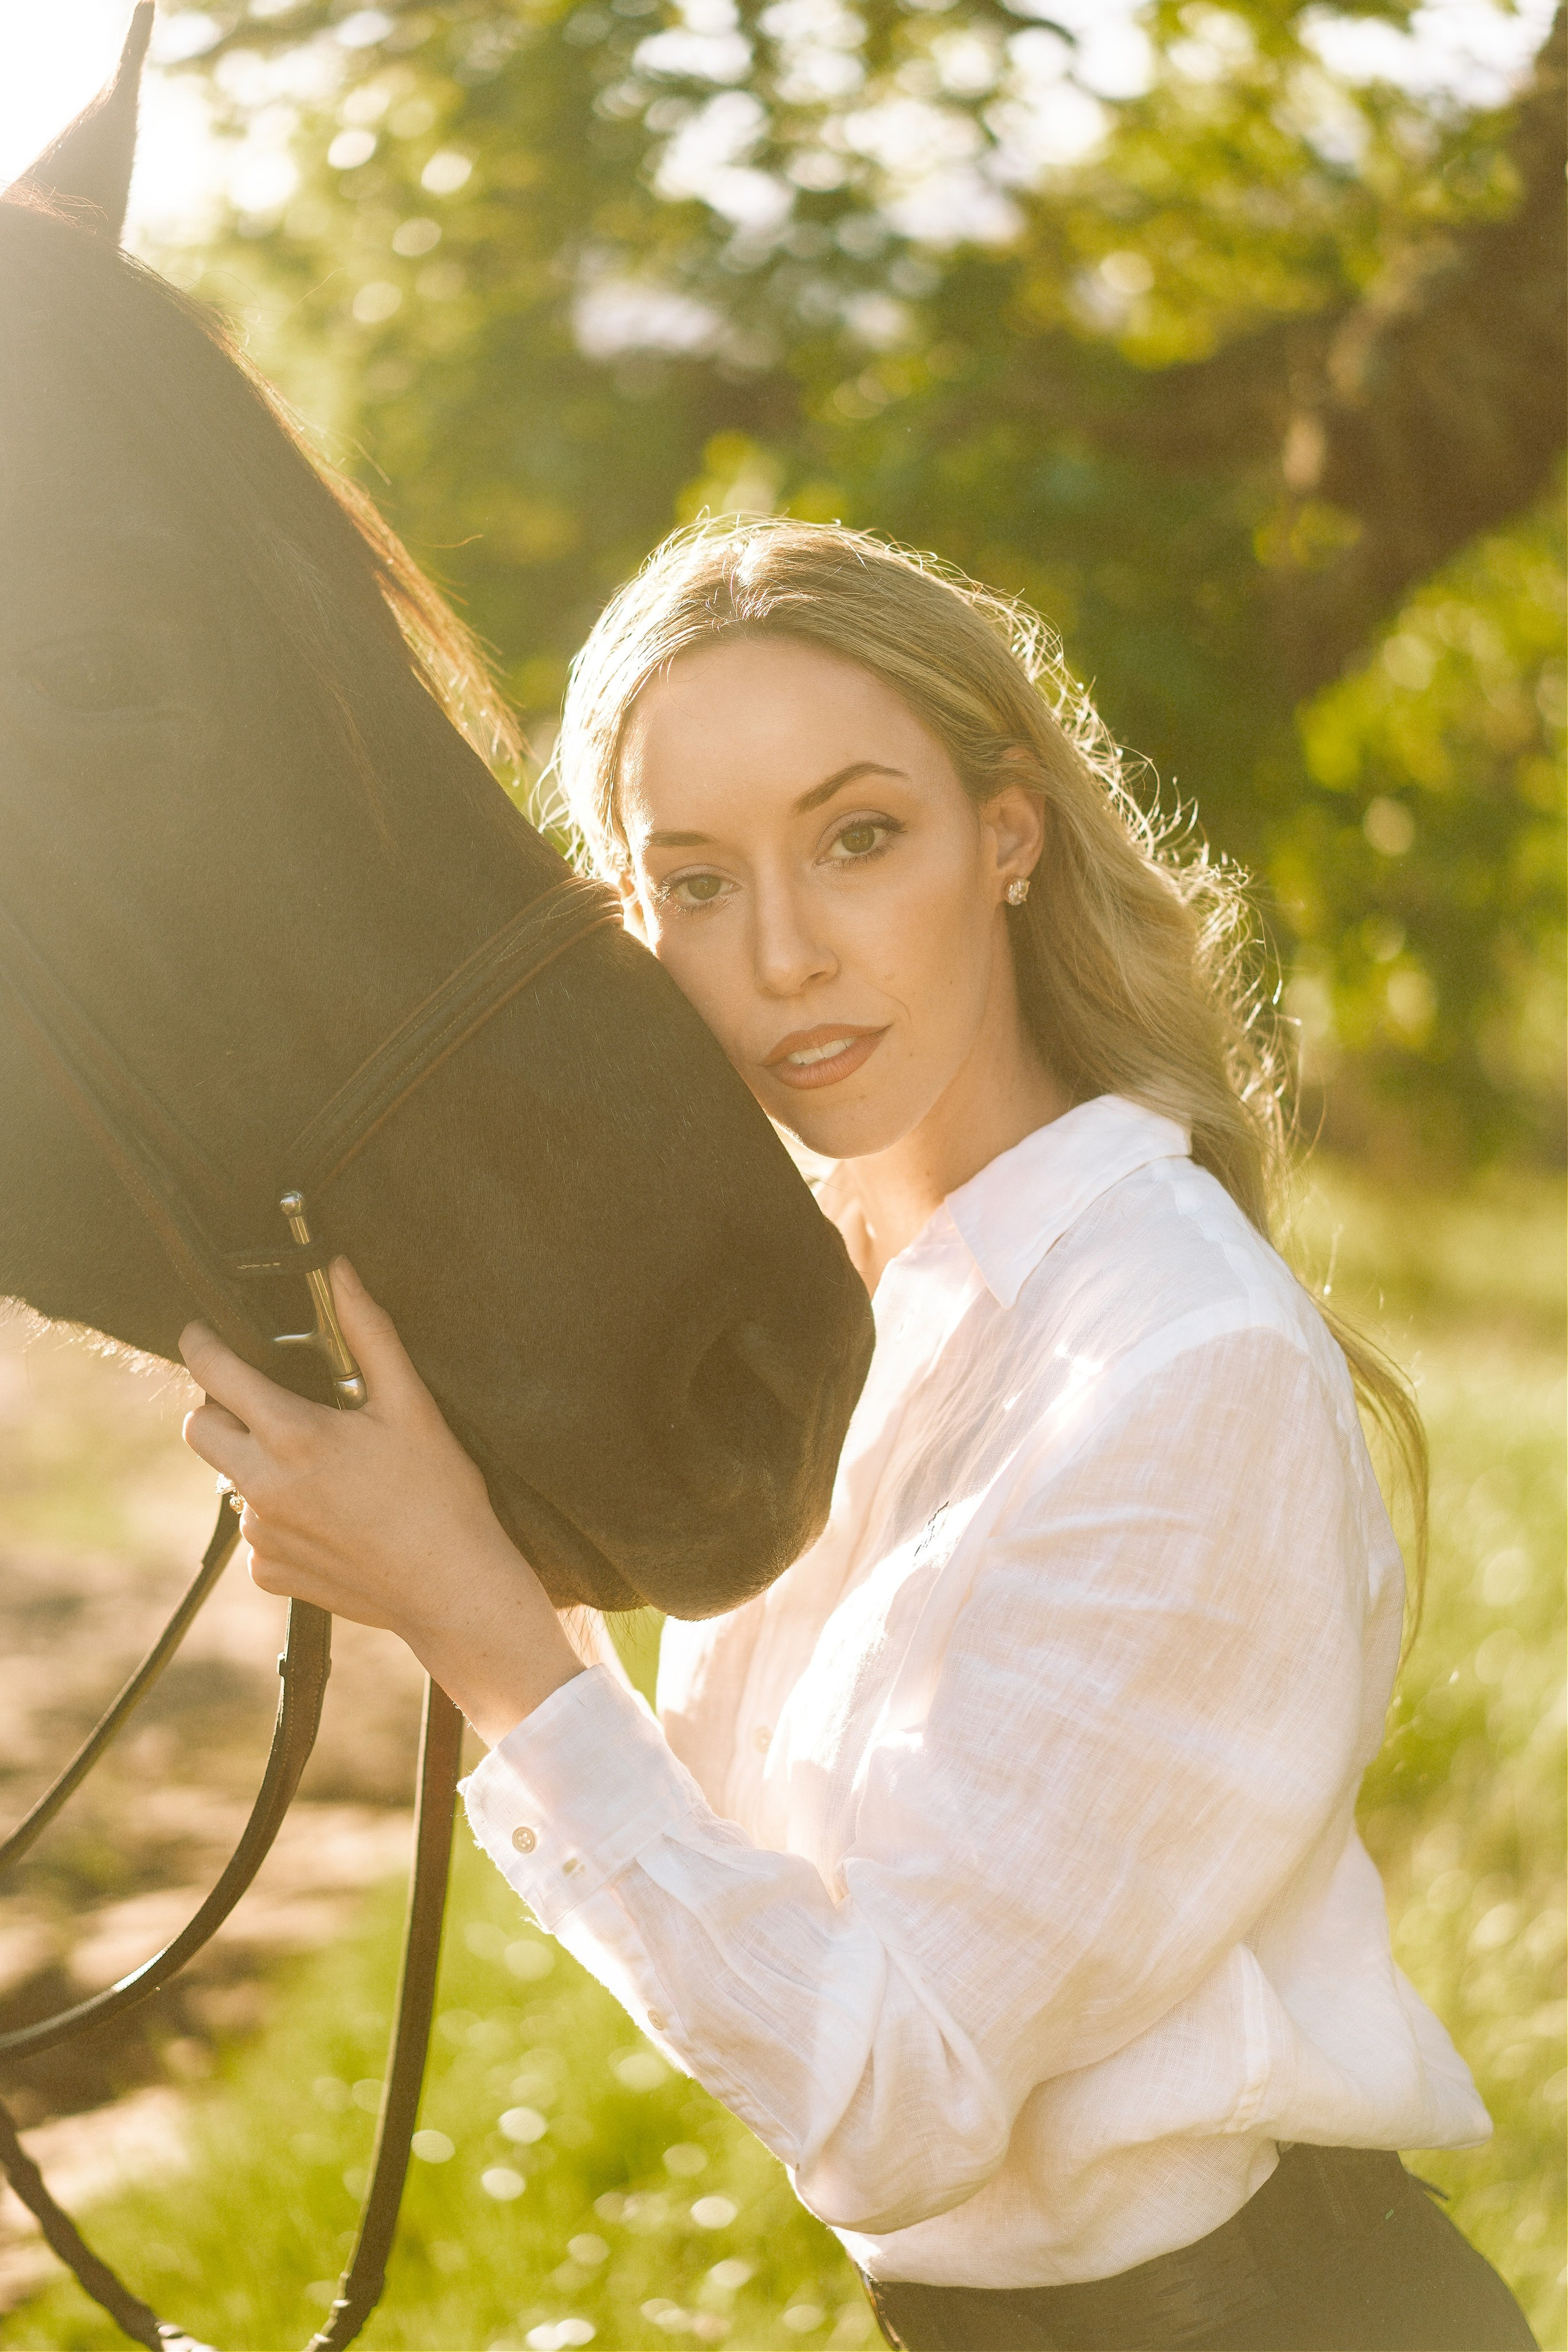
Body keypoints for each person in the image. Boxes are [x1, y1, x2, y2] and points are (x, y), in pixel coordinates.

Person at [179, 519, 1536, 2352]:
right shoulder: (819, 1314)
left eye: (859, 837)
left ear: (1009, 835)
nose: (792, 953)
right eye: (701, 882)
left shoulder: (1176, 1354)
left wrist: (480, 1628)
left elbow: (892, 2095)